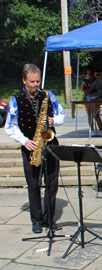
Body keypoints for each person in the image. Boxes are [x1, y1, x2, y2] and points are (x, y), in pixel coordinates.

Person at [4, 63, 65, 233]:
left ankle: (49, 219)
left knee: (52, 184)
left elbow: (61, 114)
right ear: (24, 81)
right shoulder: (16, 99)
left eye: (37, 81)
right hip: (30, 145)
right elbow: (10, 126)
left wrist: (54, 121)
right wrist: (24, 141)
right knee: (34, 184)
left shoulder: (47, 95)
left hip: (50, 144)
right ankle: (37, 220)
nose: (35, 85)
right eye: (32, 82)